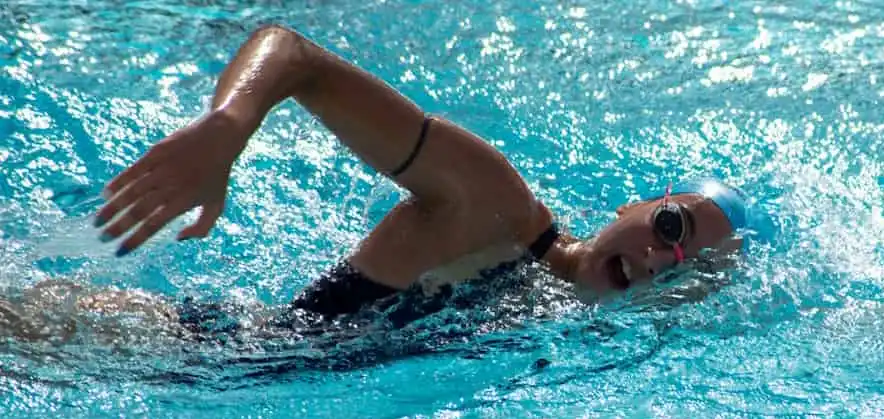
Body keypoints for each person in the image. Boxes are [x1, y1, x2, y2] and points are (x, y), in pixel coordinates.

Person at [67, 24, 765, 341]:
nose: (658, 259)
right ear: (635, 204)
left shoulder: (559, 325)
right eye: (672, 227)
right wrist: (227, 126)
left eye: (687, 270)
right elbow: (294, 56)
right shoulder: (494, 207)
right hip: (163, 344)